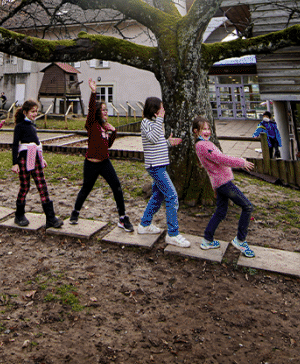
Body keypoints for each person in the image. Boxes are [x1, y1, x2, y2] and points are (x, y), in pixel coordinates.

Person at [69, 79, 133, 232]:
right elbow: (91, 109)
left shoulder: (105, 127)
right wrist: (93, 92)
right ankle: (75, 212)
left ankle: (122, 218)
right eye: (103, 110)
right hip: (91, 163)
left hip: (105, 162)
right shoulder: (92, 124)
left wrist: (113, 132)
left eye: (106, 110)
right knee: (86, 189)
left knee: (116, 187)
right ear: (98, 112)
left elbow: (107, 146)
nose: (106, 112)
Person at [193, 117, 256, 257]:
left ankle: (207, 240)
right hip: (224, 183)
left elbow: (211, 168)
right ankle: (240, 240)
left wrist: (214, 188)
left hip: (219, 183)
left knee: (221, 212)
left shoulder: (205, 144)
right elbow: (221, 159)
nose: (207, 131)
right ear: (196, 131)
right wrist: (241, 162)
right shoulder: (203, 146)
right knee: (247, 206)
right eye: (204, 129)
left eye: (208, 129)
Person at [136, 96, 189, 247]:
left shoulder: (154, 123)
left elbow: (156, 143)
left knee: (158, 196)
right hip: (155, 167)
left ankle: (144, 225)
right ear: (154, 109)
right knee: (172, 196)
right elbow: (152, 138)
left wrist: (168, 142)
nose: (163, 110)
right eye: (161, 107)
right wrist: (160, 119)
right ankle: (173, 234)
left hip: (160, 165)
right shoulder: (146, 123)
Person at [11, 99, 63, 228]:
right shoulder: (19, 126)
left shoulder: (33, 126)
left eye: (36, 111)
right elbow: (14, 145)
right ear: (25, 112)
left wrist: (42, 159)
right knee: (25, 186)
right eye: (32, 111)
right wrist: (15, 163)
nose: (35, 114)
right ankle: (19, 215)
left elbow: (37, 145)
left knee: (42, 186)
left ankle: (50, 218)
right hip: (24, 158)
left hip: (35, 158)